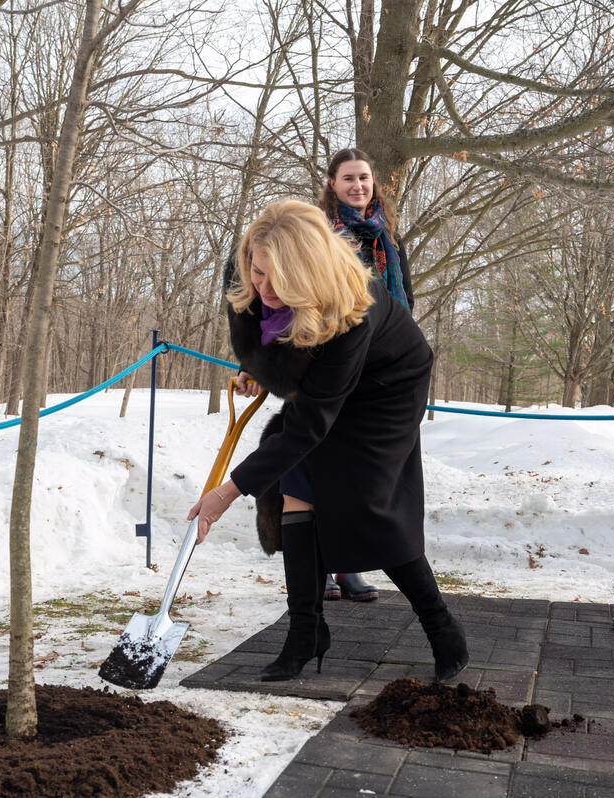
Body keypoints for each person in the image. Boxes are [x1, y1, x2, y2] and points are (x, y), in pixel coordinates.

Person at [188, 199, 467, 683]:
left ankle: (442, 628)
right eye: (258, 272)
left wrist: (226, 493)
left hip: (387, 389)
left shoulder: (352, 306)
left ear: (308, 273)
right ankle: (305, 633)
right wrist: (255, 367)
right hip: (330, 384)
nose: (264, 288)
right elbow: (275, 346)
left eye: (279, 280)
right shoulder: (255, 286)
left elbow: (308, 426)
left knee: (368, 505)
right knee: (297, 488)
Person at [311, 147, 415, 603]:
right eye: (348, 178)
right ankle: (316, 566)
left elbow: (405, 300)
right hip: (330, 360)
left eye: (364, 178)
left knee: (358, 472)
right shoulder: (318, 234)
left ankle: (348, 566)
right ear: (332, 184)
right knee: (321, 469)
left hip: (378, 367)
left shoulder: (389, 238)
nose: (357, 186)